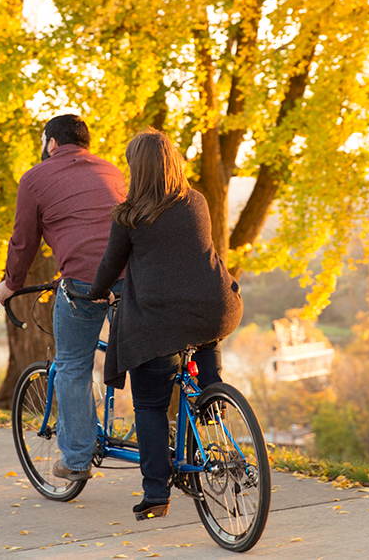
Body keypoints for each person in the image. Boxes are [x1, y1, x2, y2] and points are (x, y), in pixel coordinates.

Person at [88, 127, 242, 521]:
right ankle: (213, 396)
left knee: (150, 404)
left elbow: (110, 265)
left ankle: (156, 493)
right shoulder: (197, 202)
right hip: (217, 306)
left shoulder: (130, 215)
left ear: (136, 169)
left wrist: (95, 291)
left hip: (159, 322)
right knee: (204, 333)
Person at [0, 114, 126, 482]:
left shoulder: (35, 178)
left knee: (72, 366)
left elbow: (23, 242)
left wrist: (10, 285)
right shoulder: (111, 171)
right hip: (130, 279)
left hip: (84, 283)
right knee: (142, 358)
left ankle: (78, 460)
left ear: (51, 143)